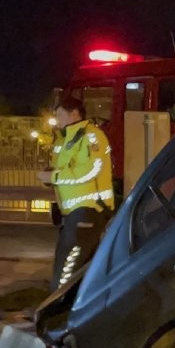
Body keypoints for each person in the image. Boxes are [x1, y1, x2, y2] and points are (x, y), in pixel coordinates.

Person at [38, 97, 114, 290]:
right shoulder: (66, 139)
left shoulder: (90, 136)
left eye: (60, 114)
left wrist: (53, 177)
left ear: (74, 113)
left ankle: (57, 311)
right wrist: (51, 174)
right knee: (81, 269)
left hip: (88, 210)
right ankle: (77, 311)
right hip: (73, 213)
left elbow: (90, 170)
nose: (57, 119)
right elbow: (68, 170)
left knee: (66, 269)